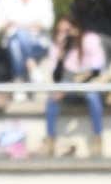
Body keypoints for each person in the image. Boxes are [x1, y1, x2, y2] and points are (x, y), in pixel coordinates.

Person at [42, 18, 106, 158]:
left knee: (92, 96)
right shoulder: (57, 46)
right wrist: (60, 57)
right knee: (52, 98)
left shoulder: (89, 40)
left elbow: (96, 70)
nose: (64, 35)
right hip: (68, 85)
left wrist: (70, 87)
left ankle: (97, 138)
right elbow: (57, 78)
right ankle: (50, 139)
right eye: (60, 31)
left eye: (67, 30)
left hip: (88, 83)